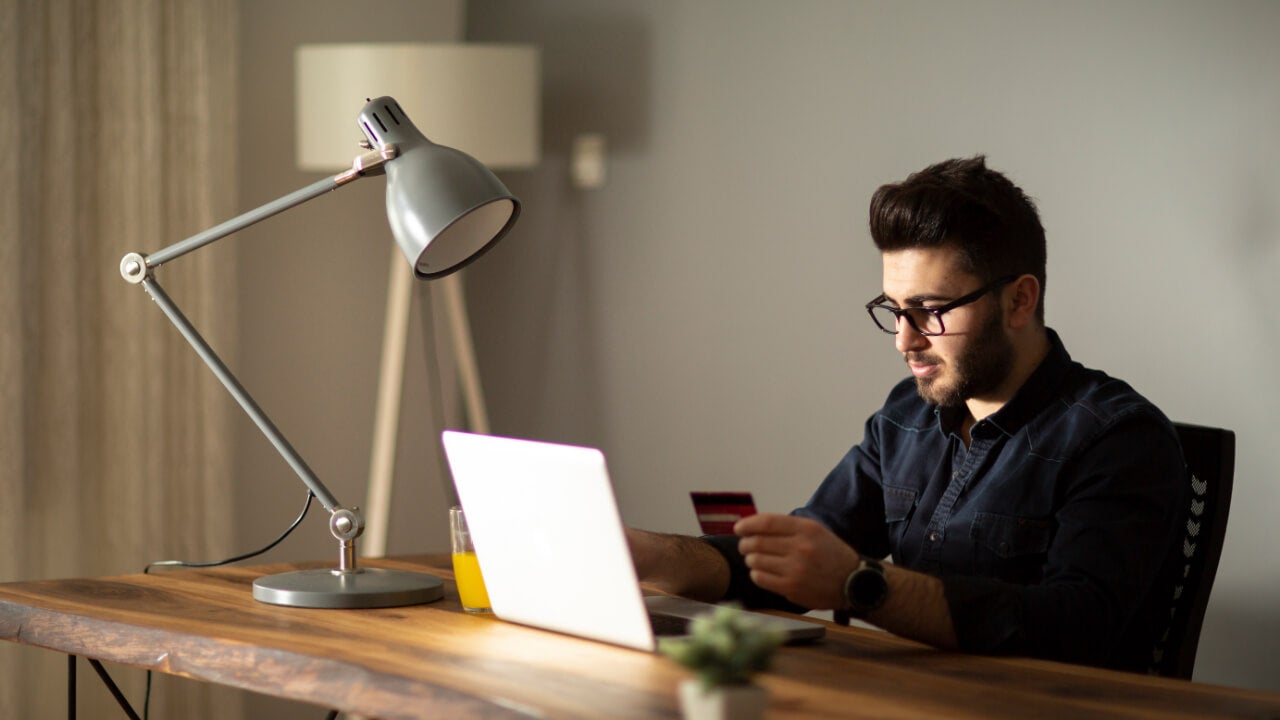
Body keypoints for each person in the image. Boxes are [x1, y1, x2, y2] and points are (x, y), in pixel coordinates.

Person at [627, 156, 1188, 673]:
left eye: (930, 311)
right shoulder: (905, 416)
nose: (904, 340)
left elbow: (1073, 627)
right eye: (894, 311)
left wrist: (857, 582)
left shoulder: (1119, 438)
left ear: (1018, 300)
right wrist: (650, 555)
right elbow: (796, 563)